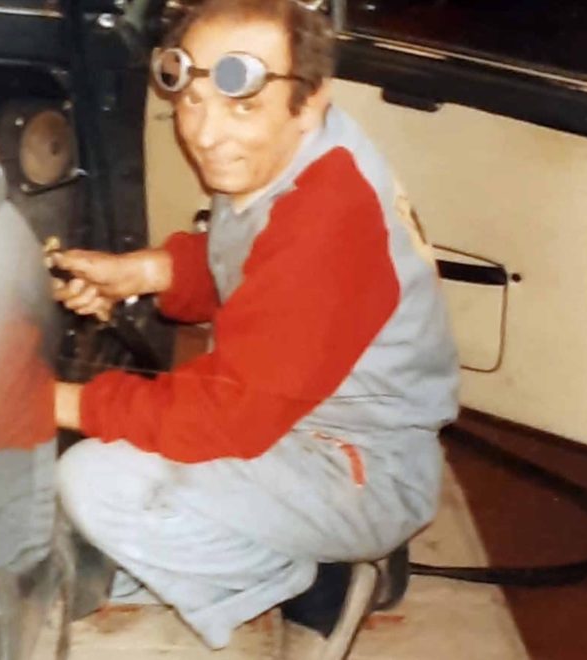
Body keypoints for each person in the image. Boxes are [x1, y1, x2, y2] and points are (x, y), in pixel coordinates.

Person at [49, 0, 459, 656]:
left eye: (241, 106)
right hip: (296, 417)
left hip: (355, 464)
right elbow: (245, 262)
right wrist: (141, 273)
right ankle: (220, 554)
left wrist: (51, 402)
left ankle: (313, 583)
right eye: (192, 100)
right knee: (120, 481)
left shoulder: (327, 218)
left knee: (97, 482)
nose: (207, 134)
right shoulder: (294, 154)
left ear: (310, 99)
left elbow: (228, 414)